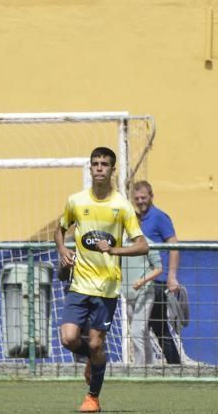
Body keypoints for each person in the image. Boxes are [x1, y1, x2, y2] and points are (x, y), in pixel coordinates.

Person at [55, 147, 148, 413]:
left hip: (107, 288)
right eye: (95, 163)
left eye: (104, 164)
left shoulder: (122, 206)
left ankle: (92, 397)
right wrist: (63, 251)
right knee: (68, 338)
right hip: (79, 284)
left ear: (111, 169)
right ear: (90, 168)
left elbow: (142, 246)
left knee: (96, 343)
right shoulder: (76, 201)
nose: (98, 168)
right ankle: (94, 360)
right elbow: (60, 230)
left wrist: (115, 249)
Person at [132, 180, 183, 364]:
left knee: (157, 326)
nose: (140, 201)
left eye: (143, 197)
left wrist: (171, 276)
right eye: (136, 198)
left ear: (151, 196)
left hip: (157, 281)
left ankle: (174, 366)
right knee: (147, 326)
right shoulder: (136, 220)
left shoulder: (159, 217)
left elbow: (174, 246)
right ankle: (150, 365)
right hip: (140, 282)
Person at [120, 235, 163, 366]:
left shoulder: (148, 243)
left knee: (136, 331)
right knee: (142, 333)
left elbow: (159, 268)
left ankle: (138, 367)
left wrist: (143, 281)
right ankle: (150, 364)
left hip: (145, 293)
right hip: (128, 295)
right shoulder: (122, 244)